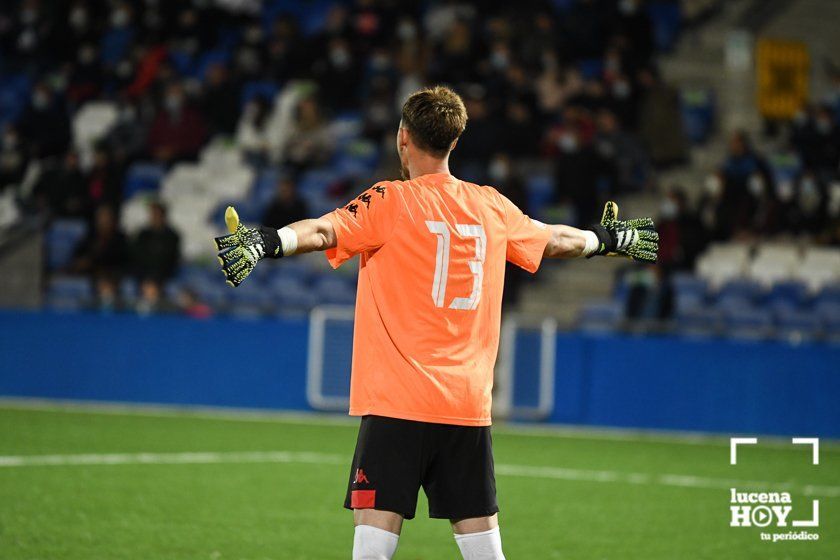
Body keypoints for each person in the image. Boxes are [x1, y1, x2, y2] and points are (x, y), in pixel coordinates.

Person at [213, 86, 658, 560]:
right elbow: (555, 241)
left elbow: (323, 230)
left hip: (397, 404)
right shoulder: (491, 206)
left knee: (372, 552)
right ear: (455, 141)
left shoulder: (390, 200)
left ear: (403, 138)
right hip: (465, 405)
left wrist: (268, 240)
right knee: (485, 553)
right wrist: (607, 239)